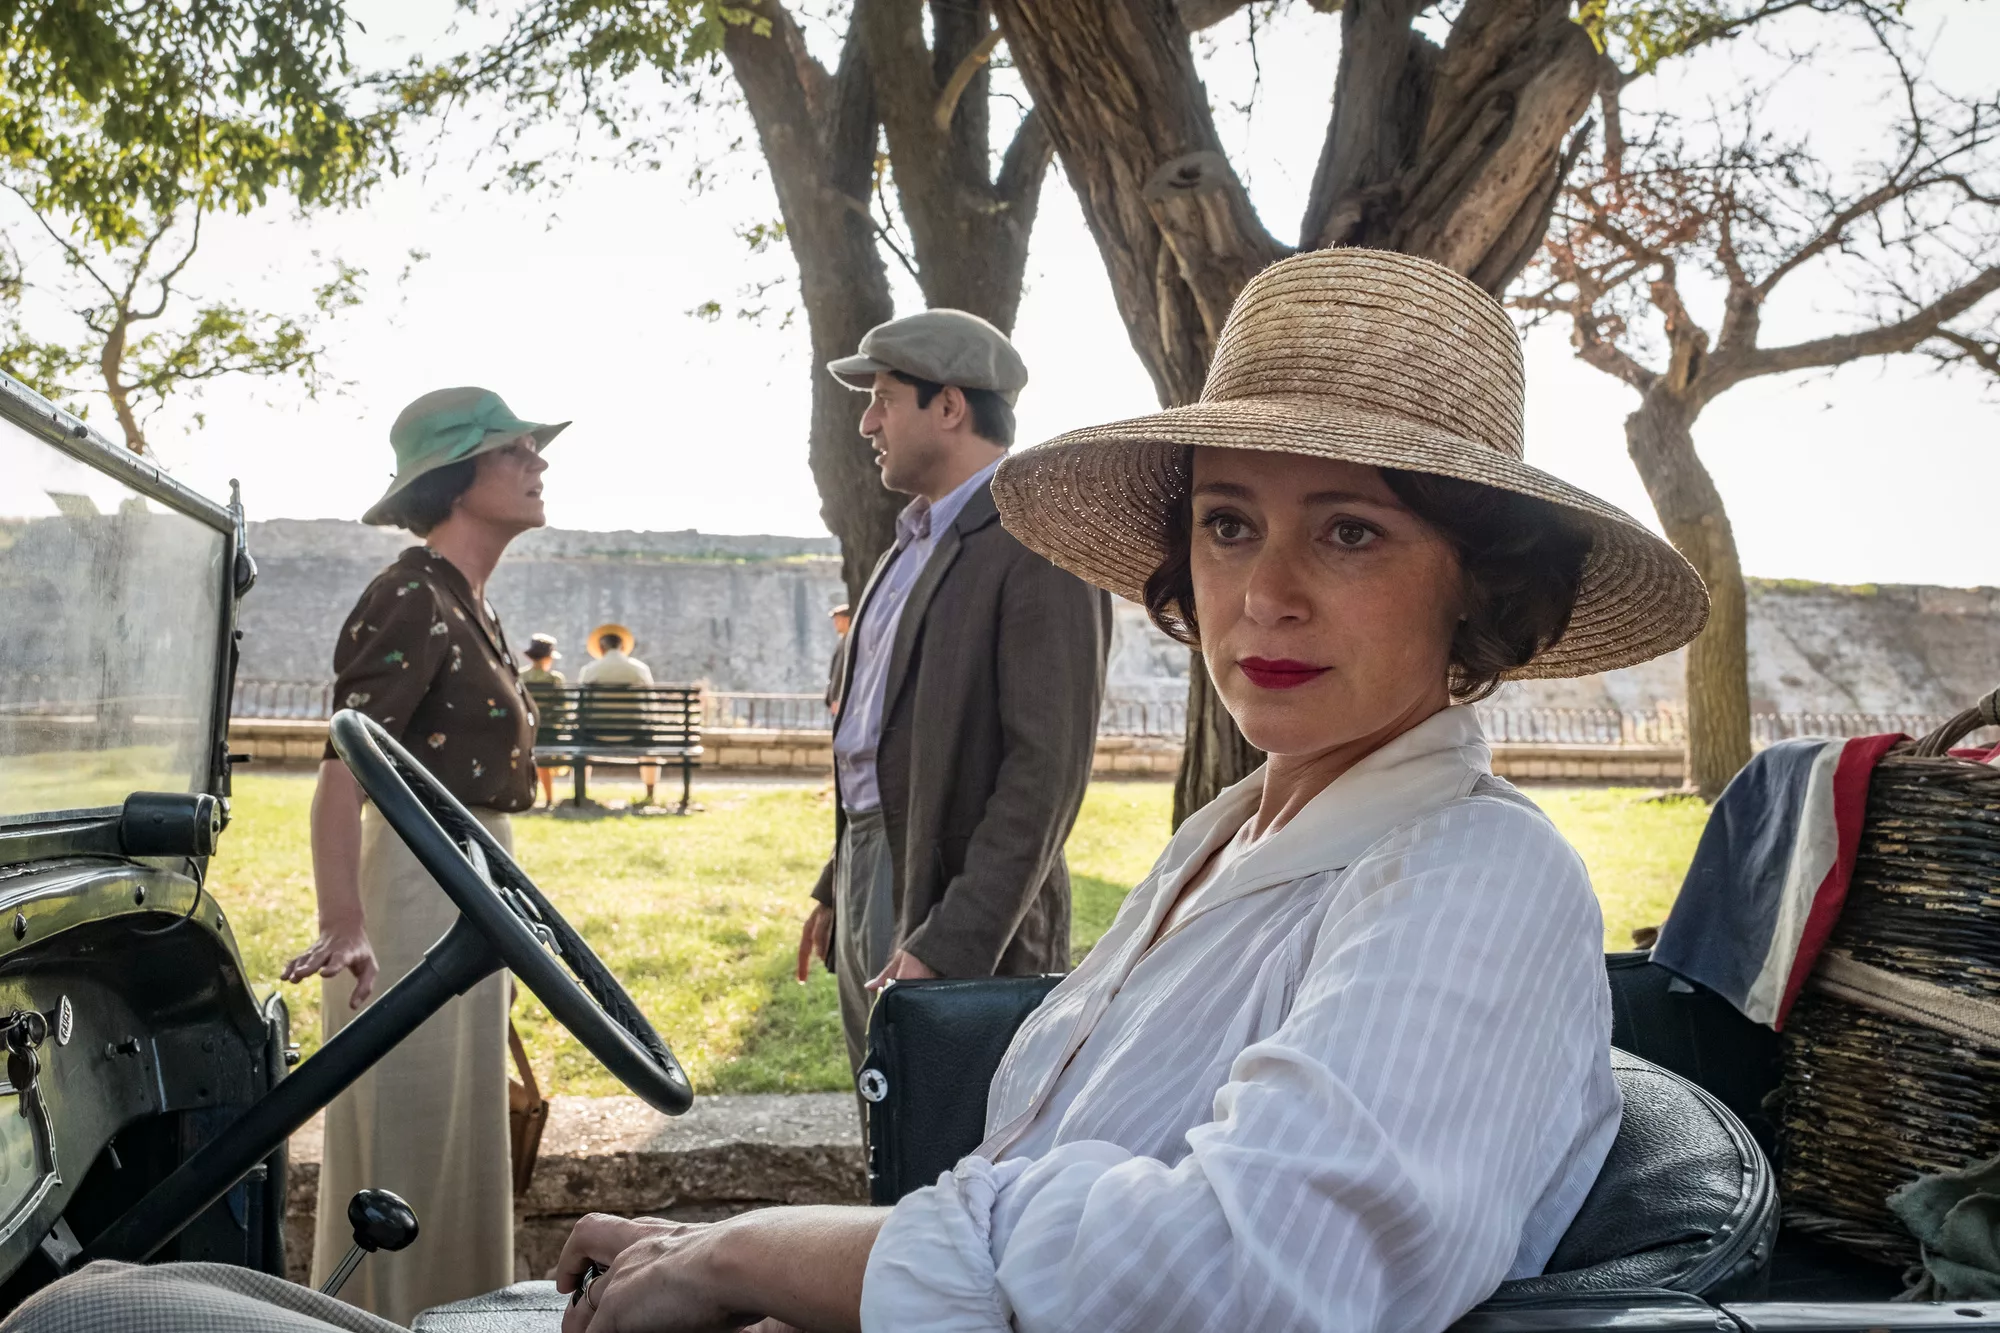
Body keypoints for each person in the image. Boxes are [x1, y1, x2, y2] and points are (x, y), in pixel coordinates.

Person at [0, 251, 1711, 1333]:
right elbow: (1040, 1198)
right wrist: (773, 1245)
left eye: (1350, 530)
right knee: (147, 1287)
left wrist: (757, 1253)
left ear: (1481, 585)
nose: (1262, 592)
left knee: (97, 1319)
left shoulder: (1470, 878)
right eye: (1226, 521)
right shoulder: (1238, 835)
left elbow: (1238, 1272)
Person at [279, 386, 566, 1323]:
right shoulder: (410, 593)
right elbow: (343, 767)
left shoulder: (469, 602)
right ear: (457, 477)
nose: (537, 463)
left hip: (469, 882)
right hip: (415, 884)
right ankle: (392, 1317)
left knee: (459, 1137)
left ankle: (455, 1313)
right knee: (408, 1134)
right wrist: (344, 921)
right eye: (514, 449)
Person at [800, 307, 1114, 1080]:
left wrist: (952, 945)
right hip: (873, 869)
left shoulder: (1039, 539)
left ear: (948, 406)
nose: (867, 423)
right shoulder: (909, 543)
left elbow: (1045, 773)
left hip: (955, 908)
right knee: (886, 1118)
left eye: (883, 399)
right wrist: (839, 884)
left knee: (954, 1134)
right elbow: (877, 739)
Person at [578, 624, 659, 803]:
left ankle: (581, 792)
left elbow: (581, 707)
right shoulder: (639, 669)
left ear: (601, 648)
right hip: (634, 734)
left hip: (597, 735)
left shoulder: (591, 670)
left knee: (581, 740)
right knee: (650, 744)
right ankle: (650, 793)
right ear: (622, 647)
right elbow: (650, 704)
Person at [522, 633, 565, 809]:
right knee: (545, 758)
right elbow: (562, 707)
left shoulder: (520, 676)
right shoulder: (555, 679)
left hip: (525, 731)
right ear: (548, 657)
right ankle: (549, 798)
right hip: (548, 732)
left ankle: (530, 796)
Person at [823, 603, 851, 716]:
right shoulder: (842, 643)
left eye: (838, 620)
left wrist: (838, 698)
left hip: (842, 704)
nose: (835, 624)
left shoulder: (849, 644)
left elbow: (842, 673)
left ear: (847, 620)